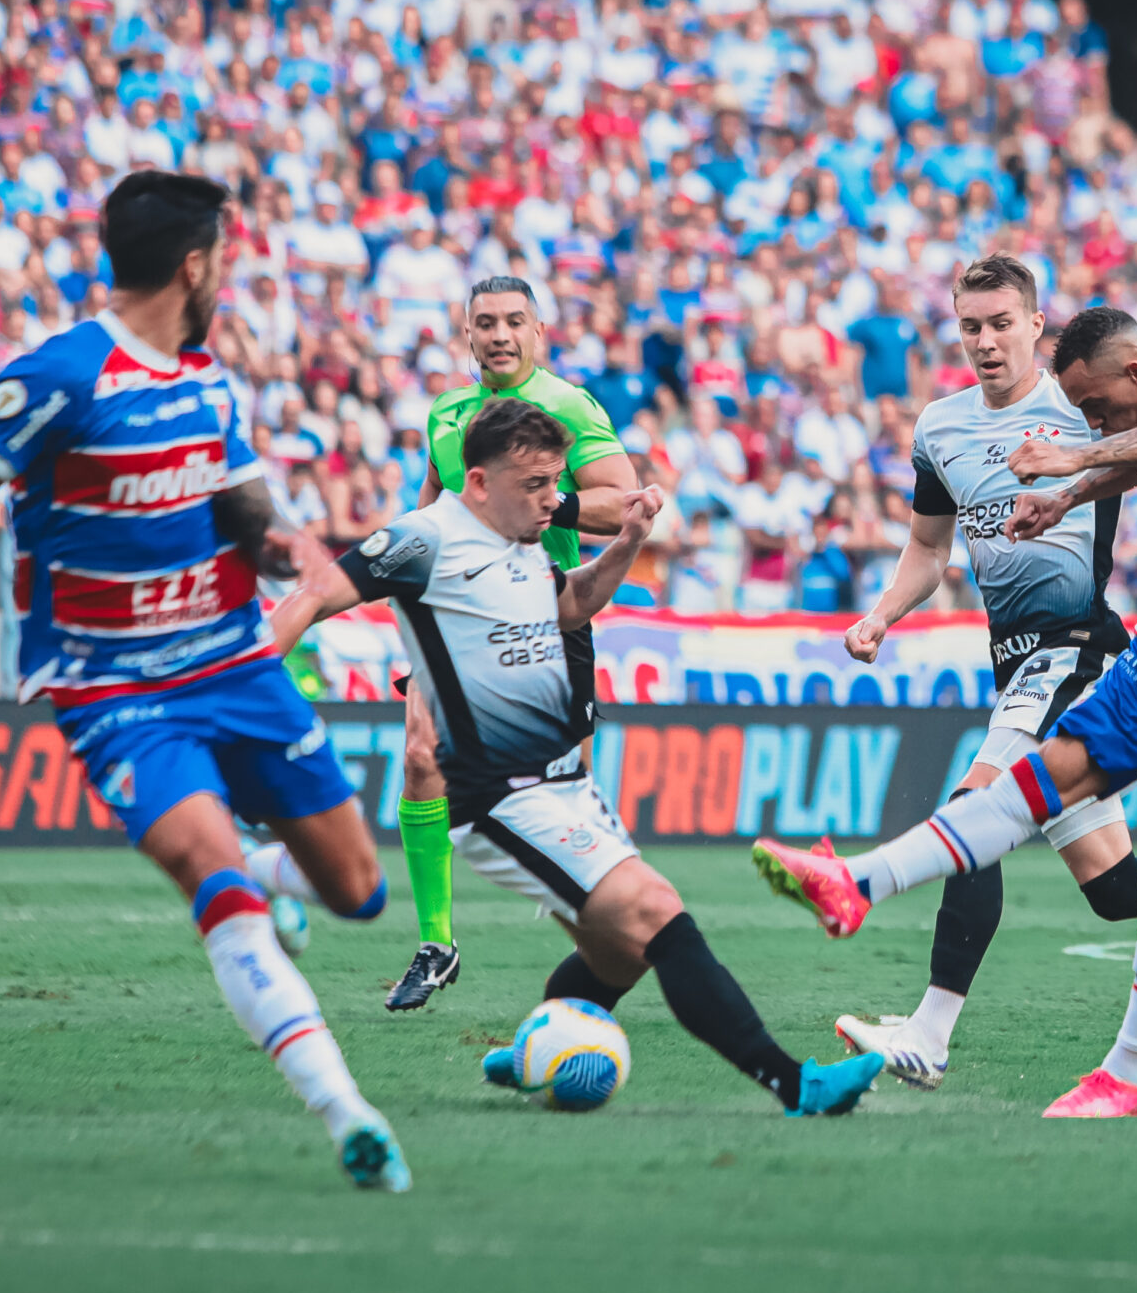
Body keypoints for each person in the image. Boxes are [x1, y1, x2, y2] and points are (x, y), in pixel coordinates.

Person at [0, 169, 411, 1193]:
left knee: (358, 891)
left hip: (233, 662)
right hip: (115, 695)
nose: (231, 276)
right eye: (229, 259)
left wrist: (285, 545)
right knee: (216, 886)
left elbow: (241, 503)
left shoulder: (205, 377)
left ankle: (264, 871)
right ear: (195, 264)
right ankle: (347, 1112)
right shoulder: (60, 377)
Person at [753, 308, 1137, 1119]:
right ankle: (854, 882)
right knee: (1045, 802)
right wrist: (1069, 494)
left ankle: (1127, 1075)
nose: (1093, 421)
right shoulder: (1129, 417)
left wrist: (1077, 450)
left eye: (1098, 408)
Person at [271, 398, 884, 1117]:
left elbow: (570, 604)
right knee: (657, 910)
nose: (552, 499)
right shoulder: (423, 540)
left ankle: (534, 1051)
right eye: (535, 484)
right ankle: (795, 1083)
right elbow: (311, 596)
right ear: (476, 481)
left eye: (555, 481)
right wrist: (242, 692)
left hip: (565, 785)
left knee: (617, 955)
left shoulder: (521, 535)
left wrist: (625, 540)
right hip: (497, 797)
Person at [385, 276, 636, 1012]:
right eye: (485, 322)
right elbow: (435, 502)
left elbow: (624, 497)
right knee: (420, 753)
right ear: (466, 335)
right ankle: (437, 941)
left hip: (545, 611)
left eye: (513, 321)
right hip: (459, 609)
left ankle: (620, 928)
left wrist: (549, 497)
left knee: (563, 799)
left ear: (539, 332)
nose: (498, 333)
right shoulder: (447, 411)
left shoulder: (568, 405)